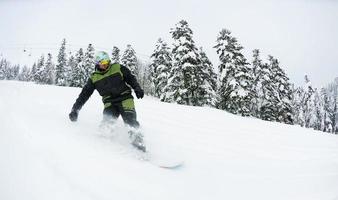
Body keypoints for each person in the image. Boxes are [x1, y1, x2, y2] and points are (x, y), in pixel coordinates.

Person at [69, 51, 146, 152]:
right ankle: (105, 150)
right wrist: (75, 109)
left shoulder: (117, 67)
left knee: (130, 121)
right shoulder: (94, 78)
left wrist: (137, 88)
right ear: (97, 64)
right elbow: (84, 95)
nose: (106, 65)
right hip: (110, 103)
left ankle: (139, 147)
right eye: (103, 63)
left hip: (125, 98)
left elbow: (130, 78)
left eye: (107, 62)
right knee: (106, 123)